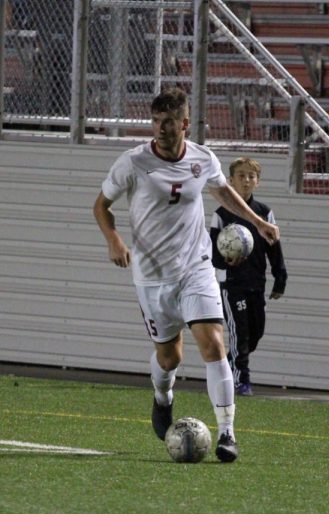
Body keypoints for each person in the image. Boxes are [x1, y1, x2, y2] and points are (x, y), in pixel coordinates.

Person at [93, 88, 280, 462]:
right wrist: (113, 240)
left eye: (169, 123)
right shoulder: (132, 163)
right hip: (152, 277)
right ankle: (163, 397)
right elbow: (101, 206)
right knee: (169, 359)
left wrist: (258, 222)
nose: (161, 129)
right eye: (156, 122)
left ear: (185, 124)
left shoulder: (202, 158)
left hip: (196, 269)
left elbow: (223, 192)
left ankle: (227, 434)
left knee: (214, 343)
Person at [209, 157, 287, 396]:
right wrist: (224, 261)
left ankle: (232, 363)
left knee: (255, 333)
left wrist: (280, 276)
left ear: (258, 182)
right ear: (230, 181)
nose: (246, 181)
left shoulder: (264, 213)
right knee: (239, 331)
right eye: (240, 176)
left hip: (256, 282)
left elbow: (274, 247)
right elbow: (212, 250)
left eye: (250, 176)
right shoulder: (221, 214)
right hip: (232, 283)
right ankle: (241, 380)